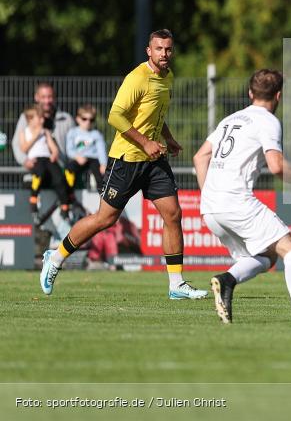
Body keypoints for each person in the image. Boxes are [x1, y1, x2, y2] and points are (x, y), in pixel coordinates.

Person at [40, 29, 208, 300]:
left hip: (154, 160)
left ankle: (176, 284)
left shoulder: (168, 78)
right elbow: (115, 116)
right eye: (159, 49)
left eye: (168, 49)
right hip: (126, 159)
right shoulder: (137, 78)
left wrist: (168, 138)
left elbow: (153, 113)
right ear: (149, 51)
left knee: (173, 214)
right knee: (104, 219)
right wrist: (145, 142)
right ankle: (56, 257)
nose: (164, 54)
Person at [193, 69, 291, 325]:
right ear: (279, 96)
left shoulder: (230, 119)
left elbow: (200, 156)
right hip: (235, 202)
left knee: (265, 257)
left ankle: (226, 281)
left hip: (211, 207)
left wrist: (209, 197)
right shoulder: (268, 121)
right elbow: (277, 166)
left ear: (250, 93)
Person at [19, 105, 72, 223]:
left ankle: (65, 208)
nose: (43, 120)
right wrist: (36, 135)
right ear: (30, 119)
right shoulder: (25, 132)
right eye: (39, 118)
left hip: (47, 159)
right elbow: (23, 148)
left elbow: (53, 148)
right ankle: (33, 203)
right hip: (36, 159)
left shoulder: (46, 132)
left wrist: (54, 153)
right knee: (39, 174)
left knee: (59, 178)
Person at [12, 81, 75, 169]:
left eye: (50, 97)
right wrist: (25, 160)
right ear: (36, 97)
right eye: (43, 97)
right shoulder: (26, 117)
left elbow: (75, 143)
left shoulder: (66, 119)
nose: (47, 101)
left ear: (54, 98)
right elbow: (16, 144)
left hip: (61, 170)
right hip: (35, 171)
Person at [64, 104, 108, 192]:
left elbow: (101, 151)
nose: (88, 122)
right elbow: (69, 150)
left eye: (91, 120)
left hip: (93, 160)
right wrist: (77, 157)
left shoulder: (96, 134)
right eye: (84, 119)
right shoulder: (72, 133)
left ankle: (103, 195)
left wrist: (103, 164)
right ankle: (69, 193)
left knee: (101, 174)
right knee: (69, 168)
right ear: (78, 119)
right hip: (79, 158)